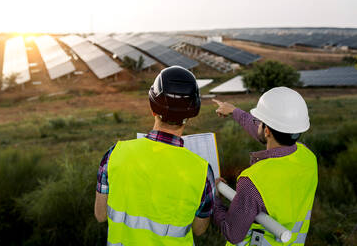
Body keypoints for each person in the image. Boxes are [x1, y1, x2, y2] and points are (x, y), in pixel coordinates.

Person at [95, 66, 215, 246]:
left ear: (153, 109)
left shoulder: (115, 154)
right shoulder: (203, 172)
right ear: (191, 115)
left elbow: (100, 215)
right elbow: (199, 229)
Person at [212, 87, 318, 246]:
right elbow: (267, 131)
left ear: (267, 130)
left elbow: (232, 233)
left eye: (261, 123)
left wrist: (213, 197)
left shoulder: (253, 181)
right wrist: (234, 111)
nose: (258, 125)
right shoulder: (308, 157)